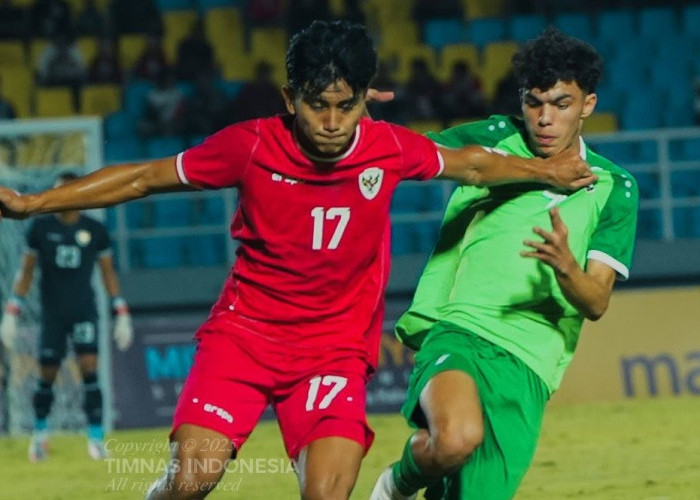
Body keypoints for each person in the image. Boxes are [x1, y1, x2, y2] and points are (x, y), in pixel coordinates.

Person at [0, 21, 593, 500]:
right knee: (192, 479)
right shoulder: (251, 146)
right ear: (291, 98)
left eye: (345, 105)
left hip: (334, 349)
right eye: (317, 106)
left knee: (329, 491)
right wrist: (33, 203)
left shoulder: (387, 147)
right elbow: (142, 179)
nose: (332, 123)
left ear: (365, 99)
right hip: (244, 337)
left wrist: (548, 172)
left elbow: (476, 165)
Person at [369, 26, 639, 500]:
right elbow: (403, 153)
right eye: (534, 103)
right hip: (462, 329)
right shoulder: (495, 138)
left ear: (588, 105)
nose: (544, 118)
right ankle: (394, 484)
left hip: (531, 364)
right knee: (455, 438)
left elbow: (596, 301)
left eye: (561, 104)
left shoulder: (616, 187)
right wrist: (357, 113)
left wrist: (564, 267)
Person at [0, 172, 134, 462]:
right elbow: (26, 272)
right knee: (46, 374)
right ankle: (39, 436)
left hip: (85, 311)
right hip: (53, 314)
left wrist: (120, 310)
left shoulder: (95, 230)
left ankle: (96, 439)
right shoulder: (40, 227)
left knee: (90, 371)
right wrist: (12, 310)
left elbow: (108, 273)